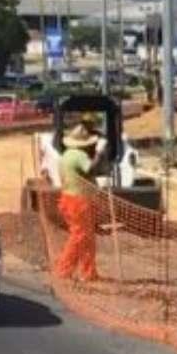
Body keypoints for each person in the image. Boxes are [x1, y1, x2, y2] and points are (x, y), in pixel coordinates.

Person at [52, 121, 104, 284]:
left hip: (68, 198)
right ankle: (64, 269)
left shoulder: (66, 155)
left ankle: (89, 272)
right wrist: (100, 154)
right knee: (79, 236)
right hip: (79, 201)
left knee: (87, 237)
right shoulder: (80, 156)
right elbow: (91, 169)